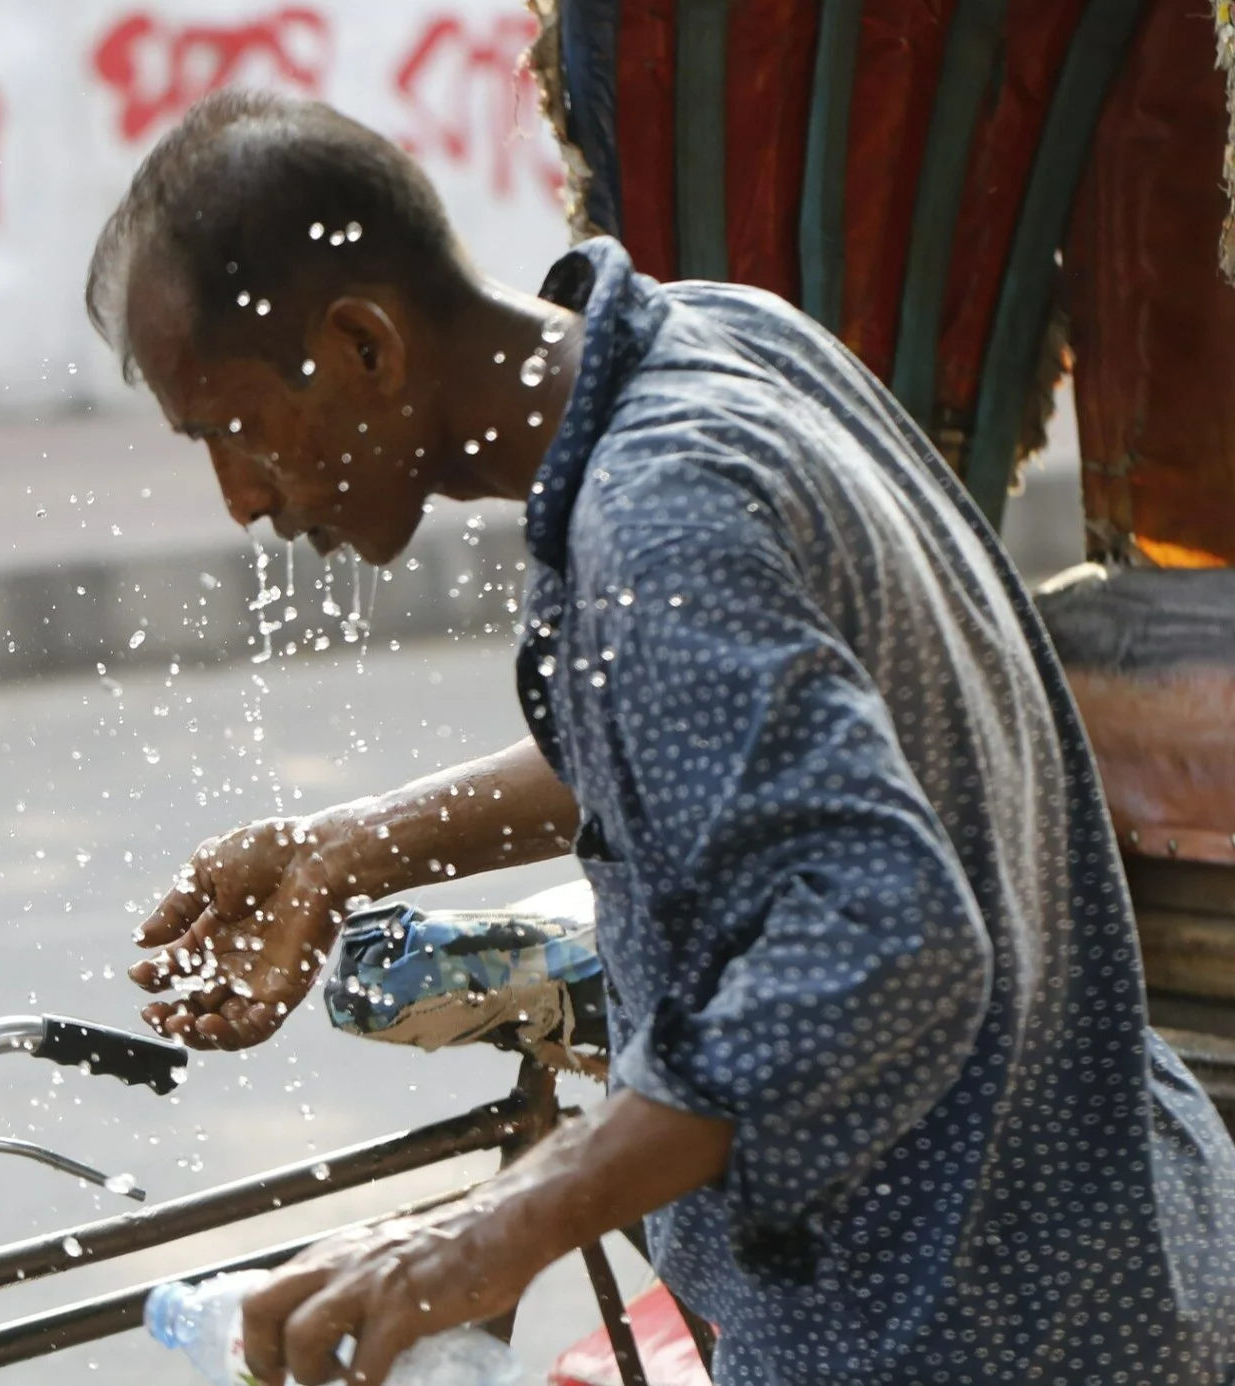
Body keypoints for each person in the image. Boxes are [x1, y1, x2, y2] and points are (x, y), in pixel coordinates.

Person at [85, 89, 1235, 1386]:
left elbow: (883, 931)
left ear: (363, 344)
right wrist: (349, 847)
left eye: (232, 432)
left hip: (984, 1326)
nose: (241, 499)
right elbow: (695, 743)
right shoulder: (714, 338)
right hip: (1113, 1223)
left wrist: (480, 1239)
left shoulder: (658, 523)